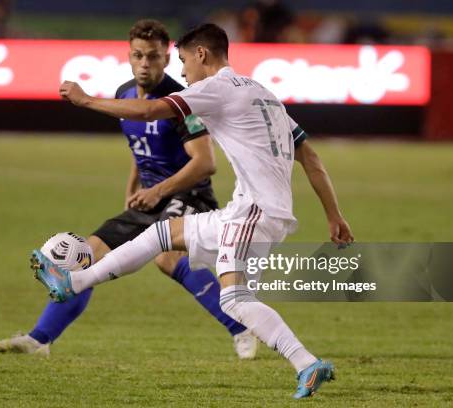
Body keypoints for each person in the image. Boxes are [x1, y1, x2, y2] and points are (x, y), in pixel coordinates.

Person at [41, 23, 355, 399]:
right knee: (163, 234)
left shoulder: (214, 89)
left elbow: (151, 110)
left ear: (202, 55)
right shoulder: (263, 93)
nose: (183, 71)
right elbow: (312, 159)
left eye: (184, 60)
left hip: (253, 213)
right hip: (249, 210)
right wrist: (334, 215)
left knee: (235, 300)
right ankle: (75, 282)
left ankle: (306, 363)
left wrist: (86, 100)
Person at [0, 19, 259, 360]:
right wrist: (134, 185)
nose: (145, 64)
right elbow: (141, 147)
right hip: (150, 198)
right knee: (83, 256)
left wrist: (158, 190)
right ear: (129, 57)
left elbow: (204, 163)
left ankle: (241, 327)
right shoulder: (124, 94)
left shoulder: (182, 101)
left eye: (154, 57)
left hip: (188, 196)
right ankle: (40, 339)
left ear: (166, 58)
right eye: (138, 56)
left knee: (167, 257)